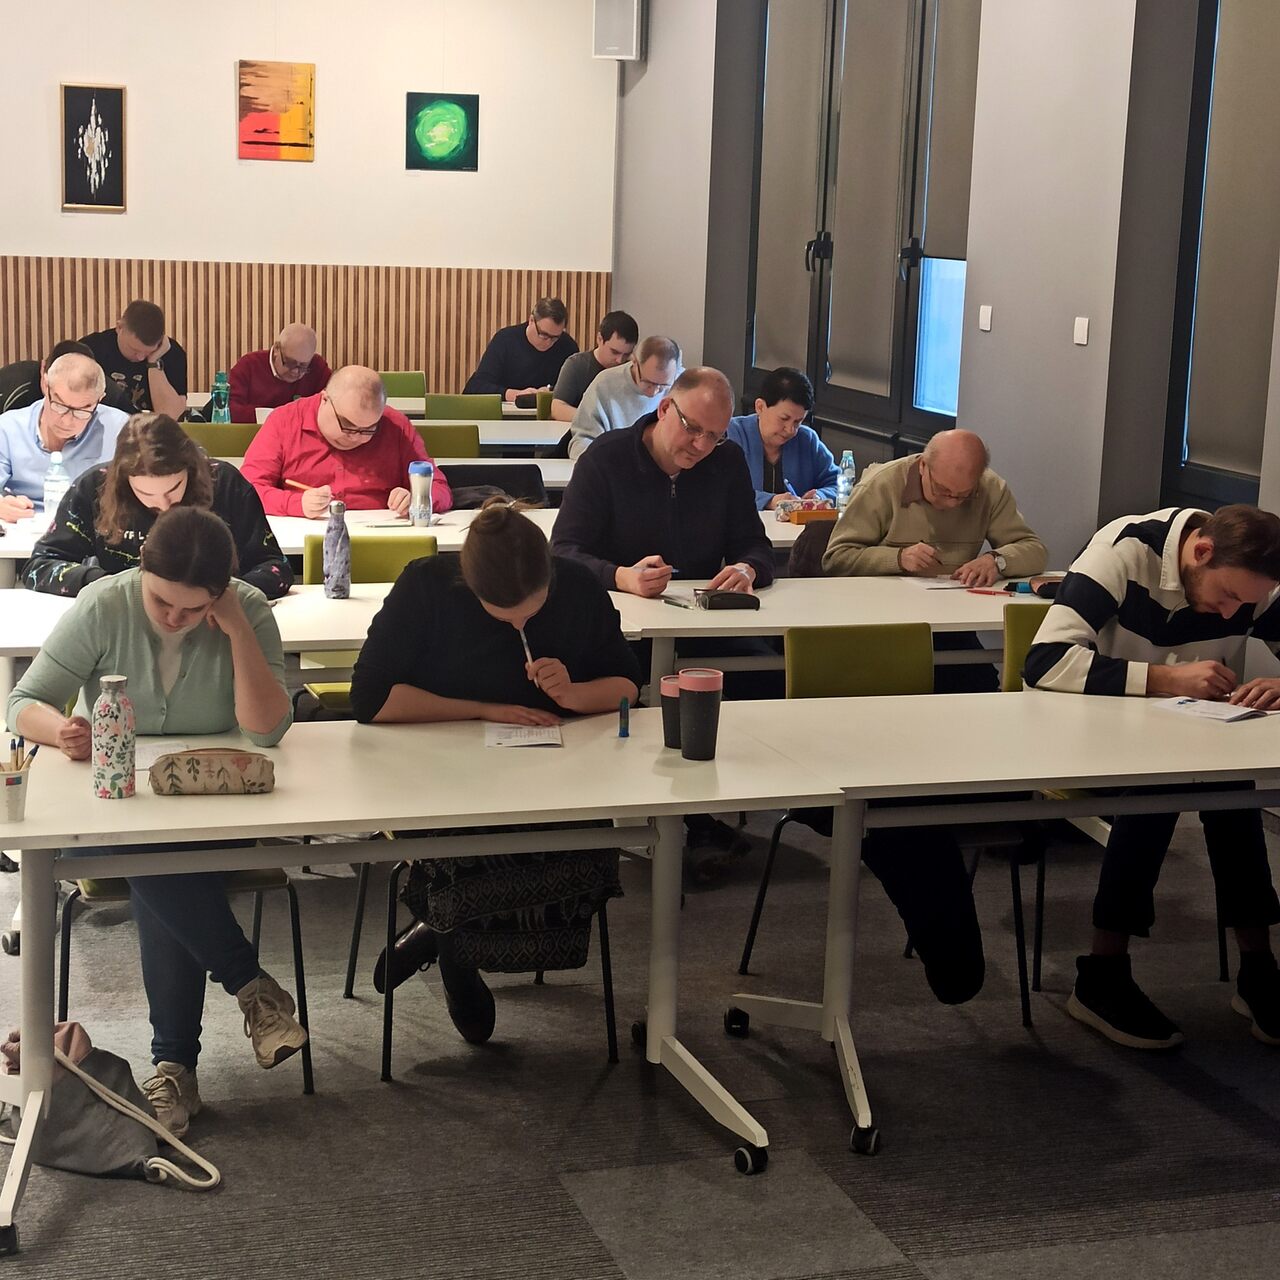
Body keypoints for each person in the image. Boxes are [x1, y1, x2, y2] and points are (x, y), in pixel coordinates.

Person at [6, 506, 306, 1138]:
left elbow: (266, 730)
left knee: (159, 864)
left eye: (193, 609)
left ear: (220, 594)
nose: (174, 618)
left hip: (210, 813)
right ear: (141, 570)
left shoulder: (248, 610)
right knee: (152, 856)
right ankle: (248, 992)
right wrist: (60, 731)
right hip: (111, 813)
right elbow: (22, 702)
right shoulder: (104, 604)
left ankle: (176, 1069)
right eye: (162, 601)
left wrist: (236, 630)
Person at [349, 499, 642, 1043]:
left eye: (532, 611)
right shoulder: (426, 586)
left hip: (555, 775)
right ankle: (455, 952)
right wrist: (482, 709)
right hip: (443, 777)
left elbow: (628, 687)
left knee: (584, 851)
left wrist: (573, 694)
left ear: (549, 574)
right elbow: (370, 699)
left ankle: (439, 930)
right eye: (503, 615)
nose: (521, 625)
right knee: (465, 854)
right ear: (470, 582)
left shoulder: (578, 587)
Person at [1025, 504, 1280, 1050]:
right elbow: (1044, 662)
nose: (1233, 612)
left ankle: (1258, 969)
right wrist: (1165, 678)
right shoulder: (1122, 550)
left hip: (1187, 732)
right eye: (1228, 596)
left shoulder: (1252, 574)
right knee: (1164, 785)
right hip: (1092, 728)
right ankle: (1102, 973)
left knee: (1230, 785)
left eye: (1246, 605)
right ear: (1201, 552)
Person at [823, 428, 1047, 692]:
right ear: (923, 466)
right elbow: (836, 557)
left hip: (951, 622)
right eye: (942, 490)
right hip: (883, 623)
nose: (952, 502)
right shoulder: (882, 485)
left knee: (982, 688)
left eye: (963, 495)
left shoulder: (990, 488)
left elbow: (1033, 549)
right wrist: (898, 558)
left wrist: (996, 560)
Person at [552, 367, 774, 597]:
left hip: (702, 608)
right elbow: (563, 551)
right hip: (620, 606)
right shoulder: (605, 458)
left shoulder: (727, 459)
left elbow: (754, 544)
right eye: (692, 428)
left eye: (714, 436)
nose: (701, 446)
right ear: (664, 408)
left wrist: (748, 568)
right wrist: (619, 576)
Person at [24, 412, 292, 600]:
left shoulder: (224, 483)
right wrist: (101, 583)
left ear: (191, 470)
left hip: (213, 621)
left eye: (174, 489)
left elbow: (276, 568)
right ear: (123, 481)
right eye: (145, 494)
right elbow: (39, 566)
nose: (163, 505)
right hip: (124, 620)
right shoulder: (95, 488)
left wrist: (228, 594)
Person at [240, 364, 452, 518]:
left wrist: (417, 499)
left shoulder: (396, 426)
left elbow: (440, 488)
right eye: (347, 425)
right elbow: (247, 490)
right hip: (300, 541)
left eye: (369, 429)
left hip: (381, 540)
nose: (356, 436)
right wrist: (296, 503)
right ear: (325, 399)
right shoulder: (284, 421)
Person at [0, 352, 129, 522]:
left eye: (82, 411)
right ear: (46, 386)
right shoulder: (8, 428)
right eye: (60, 406)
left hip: (92, 525)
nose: (67, 421)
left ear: (100, 399)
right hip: (26, 525)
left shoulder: (119, 429)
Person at [726, 367, 839, 510]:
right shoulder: (731, 435)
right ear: (760, 407)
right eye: (784, 418)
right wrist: (769, 501)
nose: (790, 430)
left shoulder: (807, 440)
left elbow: (839, 484)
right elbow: (718, 489)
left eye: (798, 421)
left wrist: (819, 496)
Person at [567, 336, 681, 461]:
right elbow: (582, 441)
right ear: (635, 362)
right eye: (648, 383)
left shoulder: (682, 386)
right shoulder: (605, 383)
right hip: (611, 463)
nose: (654, 392)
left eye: (663, 385)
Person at [80, 300, 188, 418]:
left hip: (152, 428)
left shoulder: (172, 354)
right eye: (134, 350)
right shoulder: (91, 349)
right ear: (119, 327)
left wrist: (154, 362)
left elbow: (169, 415)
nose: (141, 357)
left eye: (148, 352)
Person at [463, 297, 579, 402]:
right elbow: (476, 387)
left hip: (550, 416)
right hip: (506, 415)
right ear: (531, 320)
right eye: (543, 335)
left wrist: (551, 391)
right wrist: (514, 395)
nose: (548, 342)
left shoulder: (567, 346)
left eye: (555, 338)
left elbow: (578, 389)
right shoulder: (505, 340)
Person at [228, 323, 332, 423]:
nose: (295, 371)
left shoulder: (318, 367)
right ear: (277, 349)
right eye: (290, 363)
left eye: (303, 366)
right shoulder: (248, 365)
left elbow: (331, 407)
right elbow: (231, 410)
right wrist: (283, 417)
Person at [0, 339, 133, 416]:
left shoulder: (103, 390)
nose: (67, 420)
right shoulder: (11, 386)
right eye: (59, 402)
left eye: (81, 408)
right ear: (43, 370)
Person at [550, 311, 639, 422]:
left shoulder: (632, 370)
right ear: (599, 339)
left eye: (626, 354)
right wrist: (595, 421)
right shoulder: (576, 365)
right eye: (614, 352)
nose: (620, 360)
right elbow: (557, 408)